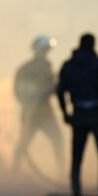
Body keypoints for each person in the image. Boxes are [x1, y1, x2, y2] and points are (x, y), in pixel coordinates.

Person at [57, 32, 98, 196]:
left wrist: (65, 113)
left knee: (77, 156)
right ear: (93, 45)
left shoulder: (68, 65)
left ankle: (76, 191)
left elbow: (60, 91)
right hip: (97, 113)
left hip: (78, 114)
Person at [13, 35, 64, 175]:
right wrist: (38, 93)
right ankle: (14, 172)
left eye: (47, 50)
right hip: (32, 113)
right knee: (23, 144)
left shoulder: (48, 67)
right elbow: (19, 91)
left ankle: (62, 172)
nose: (46, 53)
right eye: (44, 49)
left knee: (57, 140)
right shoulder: (26, 69)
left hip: (45, 112)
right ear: (37, 50)